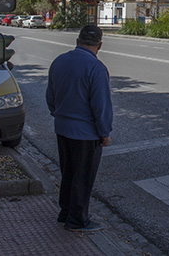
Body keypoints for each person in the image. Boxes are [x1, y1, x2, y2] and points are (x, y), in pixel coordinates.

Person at [46, 25, 113, 232]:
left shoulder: (59, 61)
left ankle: (65, 212)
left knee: (68, 172)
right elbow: (101, 105)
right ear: (99, 45)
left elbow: (50, 97)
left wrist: (59, 115)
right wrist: (105, 132)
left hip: (62, 128)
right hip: (85, 132)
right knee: (83, 176)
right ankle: (77, 220)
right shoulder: (97, 68)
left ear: (77, 41)